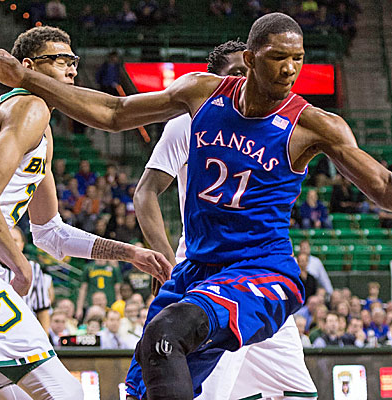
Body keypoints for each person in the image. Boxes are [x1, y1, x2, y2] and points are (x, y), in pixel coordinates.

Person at [0, 13, 392, 399]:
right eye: (279, 58)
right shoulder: (201, 94)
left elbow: (388, 189)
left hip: (260, 270)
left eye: (298, 59)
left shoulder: (314, 124)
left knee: (168, 336)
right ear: (253, 57)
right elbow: (113, 110)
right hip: (198, 269)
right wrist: (25, 76)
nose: (290, 69)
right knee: (146, 376)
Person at [0, 26, 171, 400]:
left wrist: (129, 252)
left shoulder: (39, 131)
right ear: (27, 66)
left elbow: (50, 233)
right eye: (61, 61)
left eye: (74, 62)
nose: (72, 70)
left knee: (9, 397)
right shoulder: (30, 107)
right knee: (65, 394)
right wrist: (21, 265)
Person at [130, 40, 318, 400]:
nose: (245, 80)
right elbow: (145, 192)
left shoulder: (275, 125)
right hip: (204, 273)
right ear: (212, 80)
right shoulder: (187, 121)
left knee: (296, 390)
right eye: (235, 74)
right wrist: (165, 261)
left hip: (256, 273)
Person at [4, 226, 53, 333]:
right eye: (6, 239)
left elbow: (42, 309)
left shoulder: (33, 268)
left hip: (25, 330)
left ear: (22, 245)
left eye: (15, 240)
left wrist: (45, 339)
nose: (11, 244)